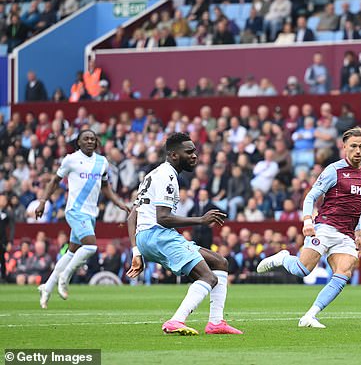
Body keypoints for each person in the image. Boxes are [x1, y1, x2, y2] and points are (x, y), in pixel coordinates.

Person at [126, 132, 242, 335]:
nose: (194, 156)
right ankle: (176, 321)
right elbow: (162, 217)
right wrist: (201, 220)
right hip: (158, 235)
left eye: (195, 151)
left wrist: (137, 252)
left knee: (219, 262)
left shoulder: (152, 175)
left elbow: (131, 218)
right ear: (173, 155)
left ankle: (216, 322)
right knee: (208, 277)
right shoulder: (167, 176)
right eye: (189, 152)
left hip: (147, 237)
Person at [257, 127, 361, 328]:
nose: (358, 150)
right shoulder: (333, 170)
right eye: (353, 146)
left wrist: (359, 234)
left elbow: (358, 206)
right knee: (303, 270)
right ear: (344, 147)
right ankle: (283, 257)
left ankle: (310, 316)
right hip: (325, 226)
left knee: (344, 273)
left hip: (346, 234)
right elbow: (311, 196)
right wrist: (308, 221)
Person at [36, 129, 129, 308]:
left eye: (93, 139)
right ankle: (65, 277)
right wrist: (42, 201)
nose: (90, 141)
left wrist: (120, 204)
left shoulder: (102, 162)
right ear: (78, 142)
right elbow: (54, 181)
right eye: (86, 139)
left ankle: (47, 288)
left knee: (71, 252)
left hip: (90, 213)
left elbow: (106, 187)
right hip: (75, 210)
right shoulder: (70, 159)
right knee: (91, 246)